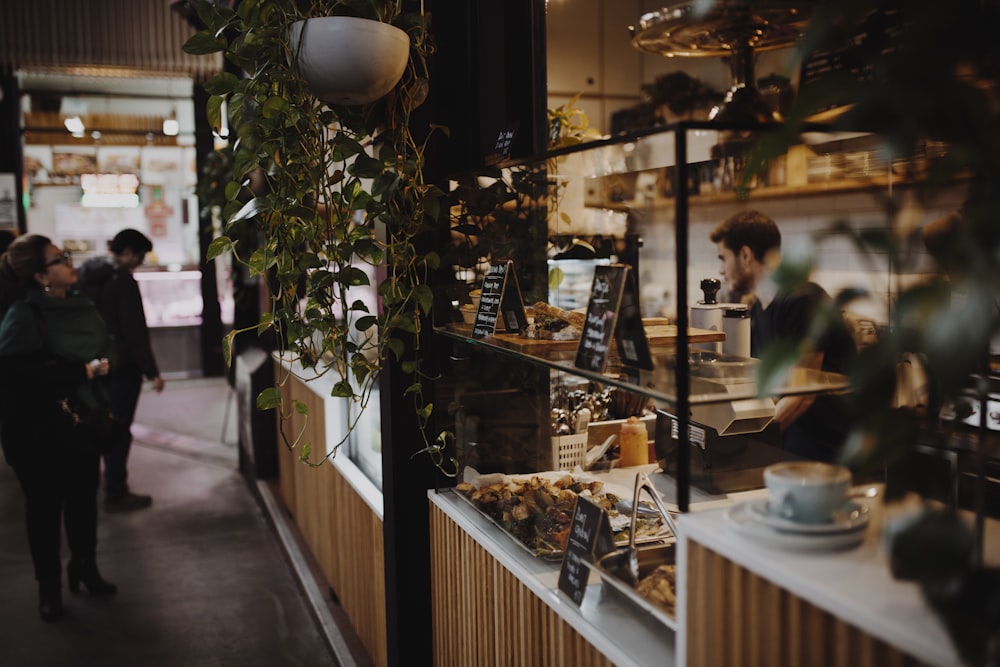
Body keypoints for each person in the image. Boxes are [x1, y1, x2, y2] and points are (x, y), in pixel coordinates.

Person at [0, 234, 119, 622]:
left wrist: (102, 368)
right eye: (60, 259)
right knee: (45, 511)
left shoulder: (83, 306)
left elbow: (110, 351)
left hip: (82, 423)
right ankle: (47, 587)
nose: (71, 262)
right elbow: (18, 375)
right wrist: (82, 370)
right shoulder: (24, 316)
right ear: (40, 276)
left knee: (84, 502)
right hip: (37, 432)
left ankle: (85, 568)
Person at [710, 210, 857, 462]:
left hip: (829, 453)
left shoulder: (803, 300)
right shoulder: (760, 307)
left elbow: (802, 394)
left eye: (723, 258)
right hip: (795, 445)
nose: (721, 270)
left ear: (745, 255)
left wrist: (748, 442)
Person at [80, 229, 164, 512]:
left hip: (96, 365)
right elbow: (134, 330)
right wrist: (152, 370)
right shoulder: (122, 281)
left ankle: (100, 486)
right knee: (120, 429)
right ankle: (116, 492)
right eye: (139, 255)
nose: (139, 261)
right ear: (127, 251)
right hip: (123, 366)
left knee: (102, 423)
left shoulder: (90, 276)